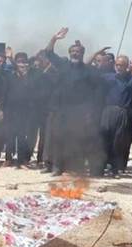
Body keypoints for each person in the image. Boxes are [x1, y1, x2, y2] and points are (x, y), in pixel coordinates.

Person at [45, 28, 105, 176]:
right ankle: (57, 167)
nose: (75, 54)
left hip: (79, 112)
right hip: (61, 110)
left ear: (82, 54)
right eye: (72, 51)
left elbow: (95, 92)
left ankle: (73, 167)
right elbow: (48, 53)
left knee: (76, 140)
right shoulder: (63, 65)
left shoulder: (88, 71)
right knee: (59, 138)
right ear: (69, 53)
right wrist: (54, 38)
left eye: (78, 52)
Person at [99, 55, 132, 178]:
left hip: (123, 112)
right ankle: (100, 167)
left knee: (118, 142)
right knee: (104, 139)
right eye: (117, 65)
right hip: (108, 111)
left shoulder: (131, 79)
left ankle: (115, 169)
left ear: (127, 66)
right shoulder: (108, 77)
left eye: (122, 65)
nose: (119, 68)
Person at [3, 52, 35, 168]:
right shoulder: (9, 76)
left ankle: (21, 160)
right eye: (19, 61)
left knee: (22, 137)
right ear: (16, 63)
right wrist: (2, 109)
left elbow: (32, 92)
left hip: (25, 111)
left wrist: (25, 76)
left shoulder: (31, 76)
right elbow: (4, 93)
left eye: (24, 61)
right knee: (10, 136)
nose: (22, 63)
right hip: (10, 110)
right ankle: (8, 159)